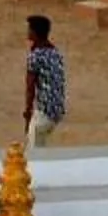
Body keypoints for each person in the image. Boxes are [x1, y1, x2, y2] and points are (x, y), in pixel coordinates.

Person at [22, 14, 68, 148]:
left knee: (34, 146)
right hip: (57, 108)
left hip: (45, 110)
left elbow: (30, 88)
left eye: (29, 29)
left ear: (35, 33)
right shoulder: (55, 53)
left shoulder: (35, 56)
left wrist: (27, 114)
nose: (27, 32)